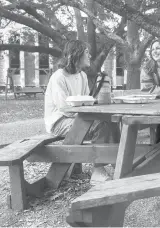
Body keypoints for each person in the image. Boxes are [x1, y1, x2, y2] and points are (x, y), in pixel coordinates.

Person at [44, 40, 116, 185]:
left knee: (112, 121)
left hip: (75, 117)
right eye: (86, 52)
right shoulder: (59, 77)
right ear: (76, 55)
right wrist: (89, 115)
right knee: (100, 125)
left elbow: (85, 101)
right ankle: (98, 171)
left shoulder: (82, 75)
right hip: (59, 121)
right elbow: (65, 108)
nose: (89, 55)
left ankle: (118, 161)